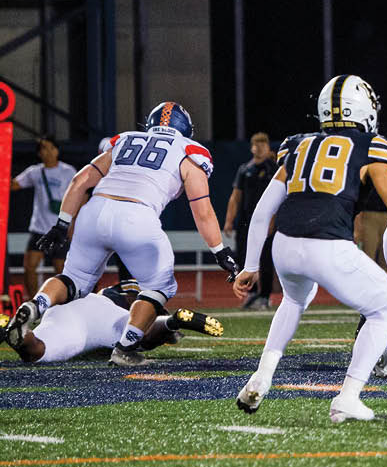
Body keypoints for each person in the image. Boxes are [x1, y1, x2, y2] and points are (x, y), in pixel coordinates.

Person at [231, 75, 387, 422]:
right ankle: (348, 396)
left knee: (294, 300)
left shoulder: (297, 145)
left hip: (285, 245)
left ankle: (262, 375)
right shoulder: (372, 146)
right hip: (327, 244)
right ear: (362, 109)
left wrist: (250, 266)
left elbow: (262, 212)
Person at [4, 103, 239, 367]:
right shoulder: (189, 151)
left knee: (72, 278)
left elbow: (80, 181)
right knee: (159, 286)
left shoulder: (125, 139)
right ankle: (125, 349)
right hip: (137, 214)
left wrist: (62, 223)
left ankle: (36, 304)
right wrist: (220, 250)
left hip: (94, 211)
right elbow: (202, 211)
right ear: (185, 129)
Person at [7, 280, 223, 363]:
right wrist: (166, 329)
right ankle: (172, 321)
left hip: (68, 305)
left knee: (37, 346)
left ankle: (17, 327)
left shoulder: (111, 290)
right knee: (138, 336)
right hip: (105, 317)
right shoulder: (132, 295)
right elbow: (141, 306)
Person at [10, 137, 77, 298]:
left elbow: (79, 195)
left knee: (61, 270)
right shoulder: (35, 172)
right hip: (39, 228)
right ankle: (33, 302)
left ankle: (63, 304)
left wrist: (73, 224)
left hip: (60, 227)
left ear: (57, 150)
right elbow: (13, 185)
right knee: (29, 266)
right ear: (39, 153)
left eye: (52, 148)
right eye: (44, 148)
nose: (48, 152)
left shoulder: (68, 171)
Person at [223, 132, 277, 310]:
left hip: (267, 221)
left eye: (263, 145)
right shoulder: (245, 169)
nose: (259, 149)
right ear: (252, 147)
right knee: (244, 257)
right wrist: (229, 220)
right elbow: (235, 197)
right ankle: (251, 293)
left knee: (266, 259)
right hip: (246, 221)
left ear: (268, 147)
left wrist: (272, 221)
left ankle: (265, 296)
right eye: (256, 145)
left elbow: (279, 198)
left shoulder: (274, 169)